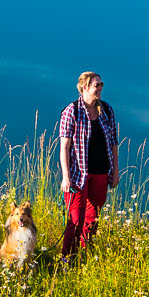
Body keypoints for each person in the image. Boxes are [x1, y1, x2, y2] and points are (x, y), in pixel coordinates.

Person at [57, 72, 119, 257]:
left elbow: (114, 143)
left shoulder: (106, 111)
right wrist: (66, 177)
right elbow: (64, 147)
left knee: (92, 219)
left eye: (101, 84)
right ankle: (67, 257)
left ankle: (85, 254)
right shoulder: (72, 111)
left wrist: (115, 171)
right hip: (78, 175)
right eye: (96, 85)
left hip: (101, 173)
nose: (100, 88)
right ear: (85, 87)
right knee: (75, 219)